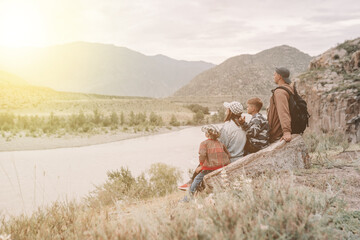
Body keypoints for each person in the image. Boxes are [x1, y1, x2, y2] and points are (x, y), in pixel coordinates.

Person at [179, 125, 230, 201]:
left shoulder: (204, 143)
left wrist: (201, 166)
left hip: (210, 168)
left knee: (197, 179)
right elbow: (228, 154)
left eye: (205, 132)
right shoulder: (220, 143)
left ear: (208, 134)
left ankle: (188, 198)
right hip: (222, 167)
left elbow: (202, 155)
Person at [267, 67, 294, 143]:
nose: (274, 77)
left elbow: (283, 112)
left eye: (274, 75)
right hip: (281, 131)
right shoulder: (289, 88)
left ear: (279, 76)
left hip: (278, 133)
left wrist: (286, 131)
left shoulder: (280, 92)